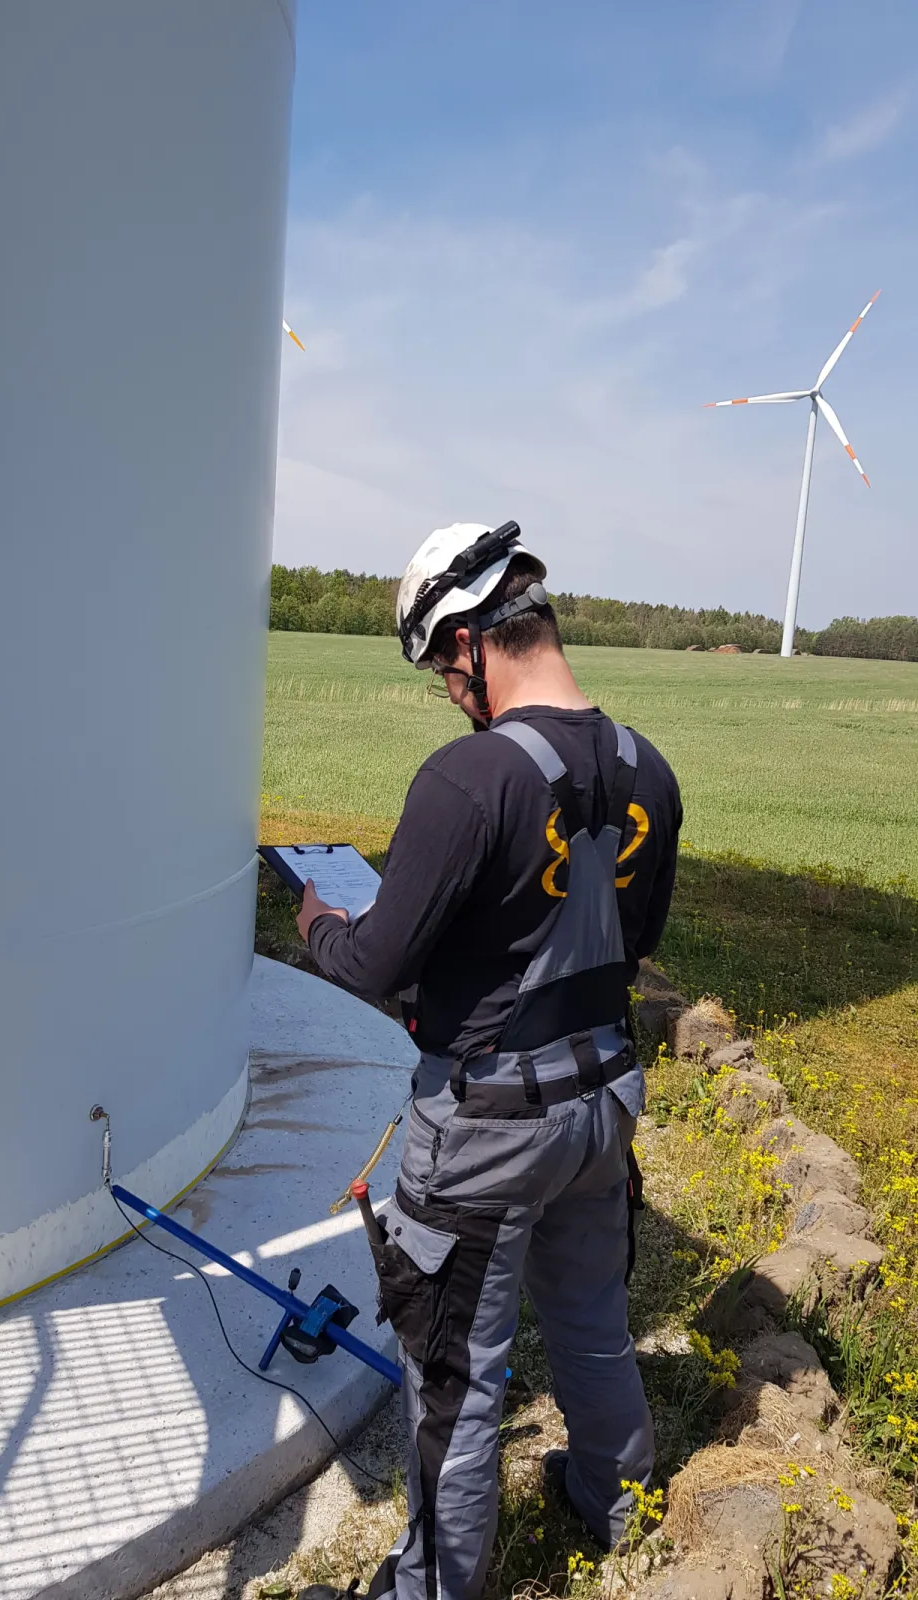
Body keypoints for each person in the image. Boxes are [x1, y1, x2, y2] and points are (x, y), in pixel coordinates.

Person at [295, 522, 682, 1600]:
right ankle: (619, 1501)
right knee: (594, 1321)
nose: (447, 692)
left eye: (439, 670)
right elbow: (623, 940)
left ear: (468, 640)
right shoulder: (651, 765)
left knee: (455, 1375)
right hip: (603, 1102)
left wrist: (320, 921)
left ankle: (431, 1586)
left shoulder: (468, 778)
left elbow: (376, 959)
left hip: (489, 1130)